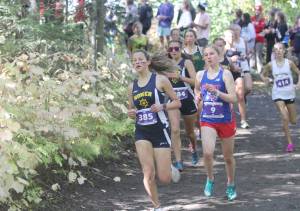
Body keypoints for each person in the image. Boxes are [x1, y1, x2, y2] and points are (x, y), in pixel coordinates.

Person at [127, 50, 181, 210]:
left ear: (148, 62)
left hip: (160, 130)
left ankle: (169, 169)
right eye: (134, 60)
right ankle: (156, 206)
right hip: (142, 132)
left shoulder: (160, 80)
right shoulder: (132, 86)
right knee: (148, 173)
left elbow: (177, 103)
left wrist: (162, 106)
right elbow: (131, 111)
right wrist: (130, 113)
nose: (137, 62)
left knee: (164, 178)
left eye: (141, 60)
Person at [194, 45, 238, 201]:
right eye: (205, 55)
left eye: (211, 53)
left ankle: (231, 183)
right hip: (208, 119)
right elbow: (197, 90)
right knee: (207, 152)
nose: (208, 57)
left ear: (219, 56)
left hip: (225, 119)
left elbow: (234, 98)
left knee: (228, 157)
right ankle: (210, 178)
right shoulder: (200, 75)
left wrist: (217, 92)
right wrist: (197, 97)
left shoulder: (225, 74)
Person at [165, 40, 198, 170]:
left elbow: (196, 82)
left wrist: (180, 77)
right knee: (175, 129)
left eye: (176, 49)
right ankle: (178, 161)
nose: (173, 51)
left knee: (190, 133)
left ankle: (194, 149)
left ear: (181, 49)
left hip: (187, 99)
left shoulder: (187, 62)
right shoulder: (165, 64)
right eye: (171, 49)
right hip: (173, 99)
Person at [260, 43, 300, 153]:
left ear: (284, 51)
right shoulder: (270, 65)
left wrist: (298, 84)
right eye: (276, 49)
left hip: (290, 94)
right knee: (285, 118)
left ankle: (288, 121)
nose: (278, 51)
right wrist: (266, 79)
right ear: (274, 52)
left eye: (280, 49)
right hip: (277, 94)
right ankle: (290, 143)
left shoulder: (289, 63)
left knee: (293, 120)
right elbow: (263, 74)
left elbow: (298, 72)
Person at [224, 28, 250, 129]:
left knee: (240, 94)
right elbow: (219, 61)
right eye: (229, 36)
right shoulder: (222, 49)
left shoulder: (236, 48)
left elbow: (242, 59)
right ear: (225, 37)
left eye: (232, 36)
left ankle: (243, 120)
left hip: (237, 73)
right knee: (228, 97)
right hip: (226, 74)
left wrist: (243, 57)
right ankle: (228, 119)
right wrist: (230, 60)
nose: (231, 38)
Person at [251, 4, 265, 73]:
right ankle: (253, 70)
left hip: (260, 39)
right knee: (252, 54)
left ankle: (260, 70)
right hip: (253, 38)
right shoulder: (252, 18)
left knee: (258, 54)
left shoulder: (262, 19)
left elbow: (261, 28)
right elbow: (251, 28)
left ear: (260, 11)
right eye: (255, 9)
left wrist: (256, 26)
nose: (257, 11)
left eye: (258, 10)